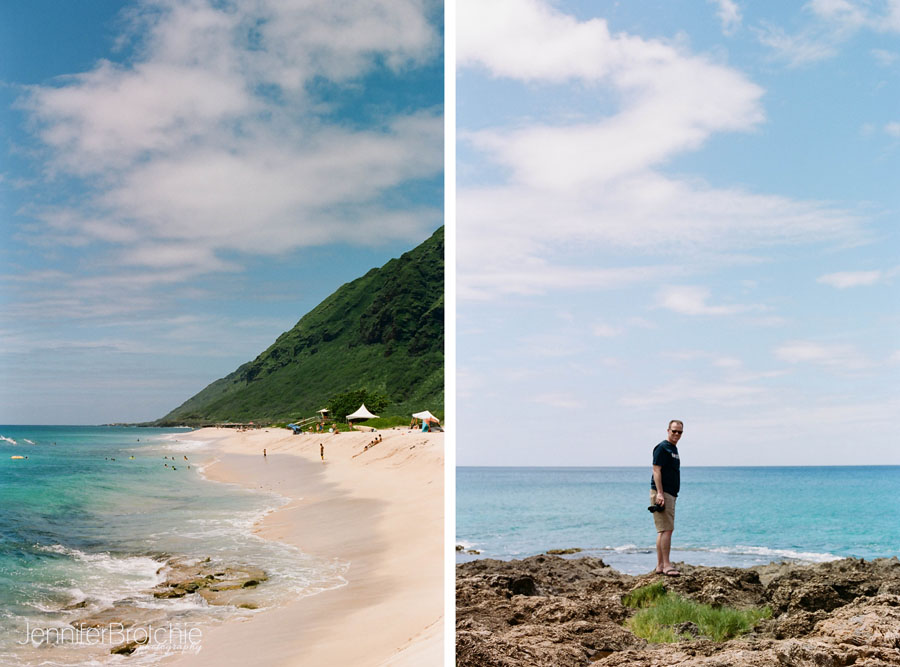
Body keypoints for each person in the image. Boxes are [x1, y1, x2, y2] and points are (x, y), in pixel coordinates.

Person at [650, 420, 683, 577]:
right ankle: (667, 565)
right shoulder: (662, 447)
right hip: (663, 493)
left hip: (670, 494)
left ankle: (660, 565)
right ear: (668, 430)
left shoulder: (673, 448)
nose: (676, 434)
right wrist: (660, 493)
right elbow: (656, 470)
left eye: (679, 432)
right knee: (667, 530)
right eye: (674, 431)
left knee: (663, 530)